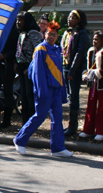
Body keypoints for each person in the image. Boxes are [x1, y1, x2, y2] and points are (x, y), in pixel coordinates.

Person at [13, 21, 73, 157]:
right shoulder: (41, 49)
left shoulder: (57, 49)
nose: (51, 37)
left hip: (56, 90)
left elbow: (59, 73)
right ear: (44, 34)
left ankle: (58, 148)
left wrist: (63, 91)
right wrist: (42, 91)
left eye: (54, 34)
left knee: (57, 118)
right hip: (45, 90)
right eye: (49, 34)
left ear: (57, 36)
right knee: (39, 116)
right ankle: (20, 140)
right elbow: (37, 72)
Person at [79, 31, 103, 141]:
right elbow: (89, 66)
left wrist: (97, 73)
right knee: (90, 105)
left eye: (97, 39)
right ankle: (88, 130)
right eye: (94, 39)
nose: (94, 41)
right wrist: (87, 74)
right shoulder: (91, 51)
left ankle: (101, 132)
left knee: (101, 107)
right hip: (93, 83)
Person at [61, 10, 90, 136]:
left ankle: (73, 126)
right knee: (68, 96)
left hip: (75, 70)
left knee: (74, 97)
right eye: (69, 17)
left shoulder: (82, 34)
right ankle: (69, 125)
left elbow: (80, 53)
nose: (69, 19)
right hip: (65, 67)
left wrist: (72, 70)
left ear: (79, 20)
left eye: (73, 17)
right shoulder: (67, 32)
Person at [15, 12, 43, 123]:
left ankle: (32, 120)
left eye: (20, 20)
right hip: (21, 66)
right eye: (17, 20)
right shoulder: (22, 33)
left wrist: (30, 68)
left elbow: (38, 52)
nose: (18, 23)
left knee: (29, 94)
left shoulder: (33, 33)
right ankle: (25, 120)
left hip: (30, 67)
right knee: (23, 94)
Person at [0, 26, 18, 128]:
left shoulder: (15, 32)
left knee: (7, 92)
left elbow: (17, 50)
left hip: (8, 65)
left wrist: (5, 56)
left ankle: (6, 120)